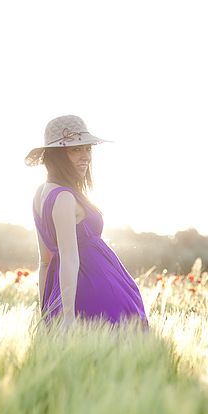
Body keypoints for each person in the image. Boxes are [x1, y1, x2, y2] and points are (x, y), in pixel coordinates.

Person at [25, 115, 149, 331]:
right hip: (92, 294)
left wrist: (45, 311)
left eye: (87, 149)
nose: (86, 157)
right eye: (75, 150)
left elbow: (45, 262)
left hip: (80, 290)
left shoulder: (40, 194)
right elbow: (68, 258)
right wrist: (67, 316)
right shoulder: (64, 197)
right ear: (57, 156)